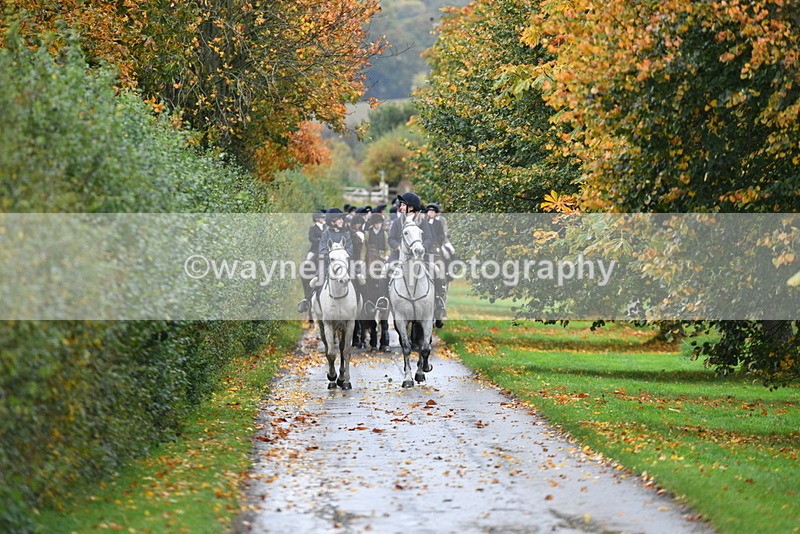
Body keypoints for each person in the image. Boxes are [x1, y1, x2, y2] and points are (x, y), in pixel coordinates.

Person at [297, 208, 353, 313]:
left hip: (345, 263)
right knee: (316, 281)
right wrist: (332, 257)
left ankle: (366, 302)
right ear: (332, 222)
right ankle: (307, 300)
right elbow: (322, 251)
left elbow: (350, 250)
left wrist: (342, 256)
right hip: (328, 263)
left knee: (360, 278)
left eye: (342, 219)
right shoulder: (325, 234)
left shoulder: (346, 234)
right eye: (339, 219)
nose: (342, 221)